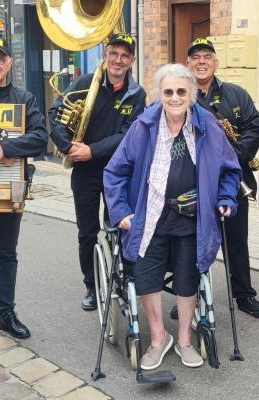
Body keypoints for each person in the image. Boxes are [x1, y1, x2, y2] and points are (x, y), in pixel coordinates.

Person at [103, 64, 241, 369]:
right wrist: (122, 211)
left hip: (193, 218)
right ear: (159, 94)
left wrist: (227, 198)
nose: (175, 97)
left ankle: (183, 341)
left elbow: (230, 169)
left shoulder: (207, 126)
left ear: (191, 93)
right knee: (146, 277)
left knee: (187, 277)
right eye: (168, 92)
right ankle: (157, 339)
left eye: (181, 91)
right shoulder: (144, 126)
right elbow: (114, 172)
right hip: (150, 218)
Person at [170, 37, 259, 319]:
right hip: (193, 182)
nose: (201, 61)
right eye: (195, 57)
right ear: (187, 64)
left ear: (215, 63)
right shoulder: (179, 95)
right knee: (191, 242)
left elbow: (255, 125)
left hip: (233, 179)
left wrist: (234, 156)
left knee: (236, 241)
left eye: (207, 57)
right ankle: (187, 296)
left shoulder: (236, 94)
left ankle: (244, 295)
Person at [49, 33, 146, 311]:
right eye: (114, 53)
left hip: (119, 173)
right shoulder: (83, 83)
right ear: (105, 54)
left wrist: (92, 150)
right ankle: (92, 286)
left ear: (132, 61)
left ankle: (123, 280)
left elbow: (130, 134)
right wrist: (68, 147)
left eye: (125, 56)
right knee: (87, 231)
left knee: (121, 227)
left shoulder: (137, 94)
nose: (118, 60)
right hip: (85, 173)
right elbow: (55, 115)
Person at [0, 37, 48, 338]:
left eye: (0, 58)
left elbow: (40, 138)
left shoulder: (24, 98)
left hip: (11, 185)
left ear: (10, 63)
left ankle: (6, 313)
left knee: (7, 253)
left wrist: (5, 148)